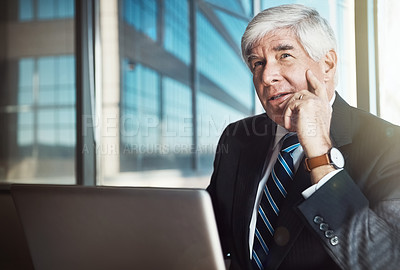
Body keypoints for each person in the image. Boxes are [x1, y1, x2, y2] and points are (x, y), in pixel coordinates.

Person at [207, 4, 400, 270]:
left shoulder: (390, 145)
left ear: (328, 65)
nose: (267, 76)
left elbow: (384, 261)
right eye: (257, 63)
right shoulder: (238, 137)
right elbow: (209, 233)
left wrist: (320, 153)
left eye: (284, 55)